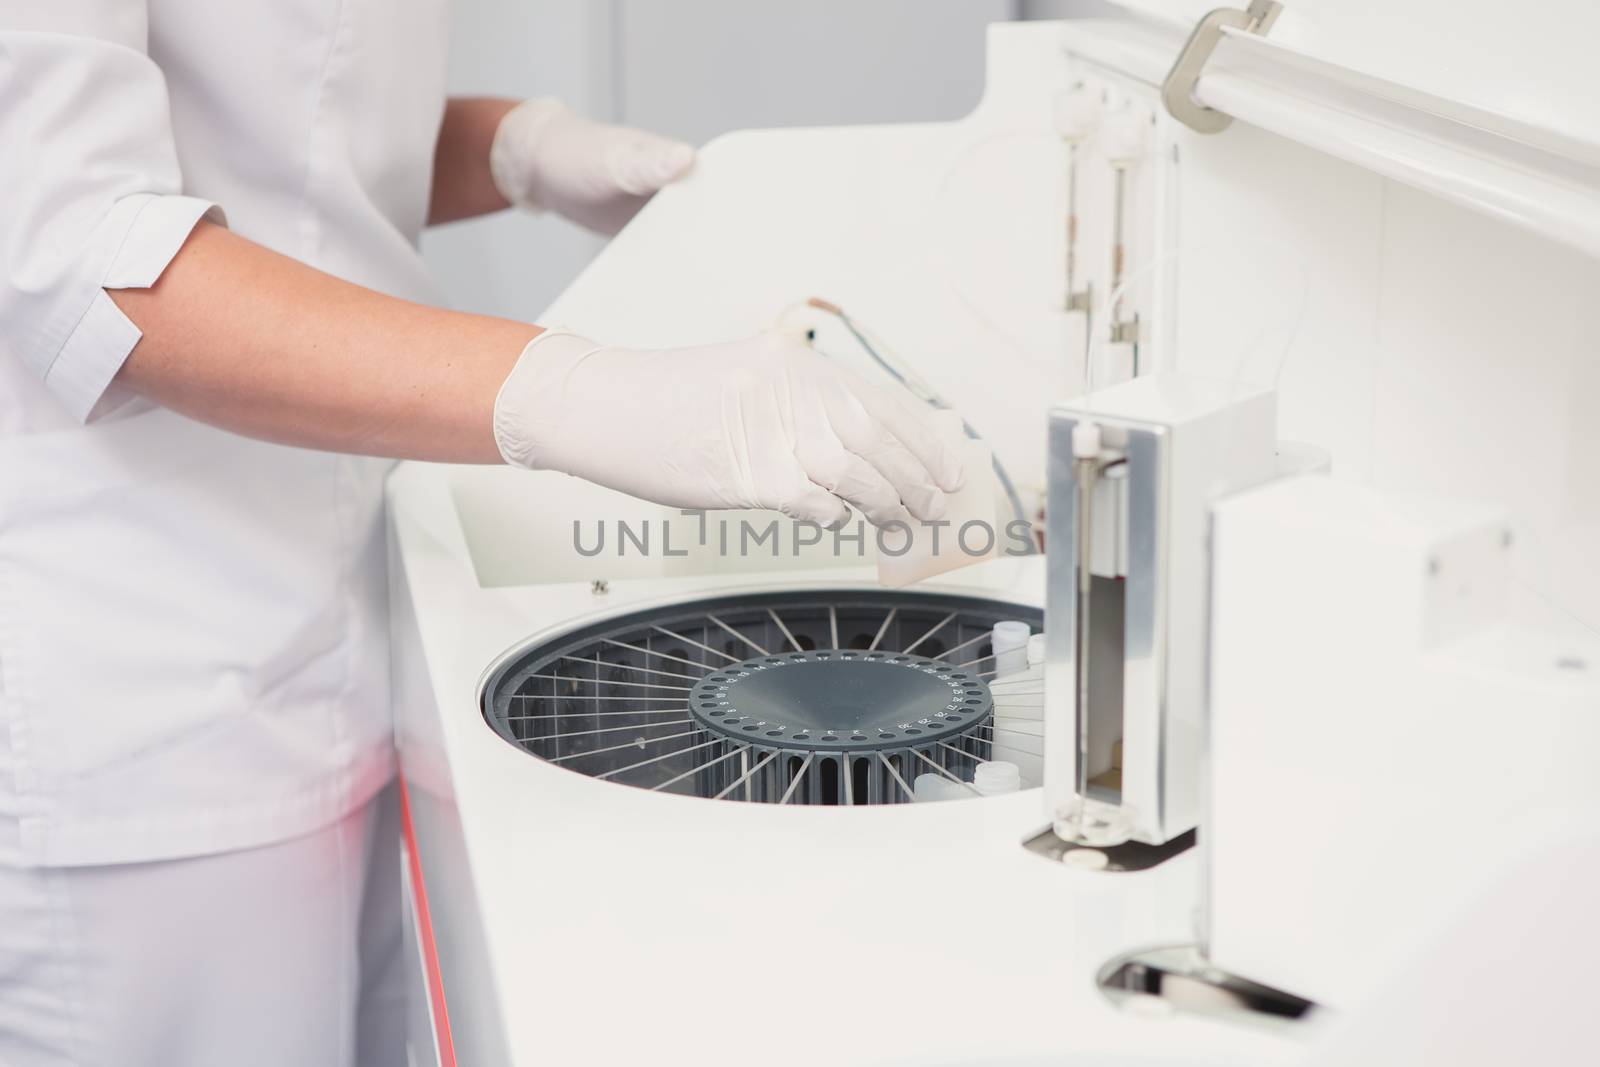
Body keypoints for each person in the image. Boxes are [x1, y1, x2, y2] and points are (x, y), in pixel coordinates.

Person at [0, 4, 964, 1065]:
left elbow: (292, 152)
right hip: (137, 673)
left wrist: (516, 148)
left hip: (343, 619)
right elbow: (87, 255)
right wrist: (579, 392)